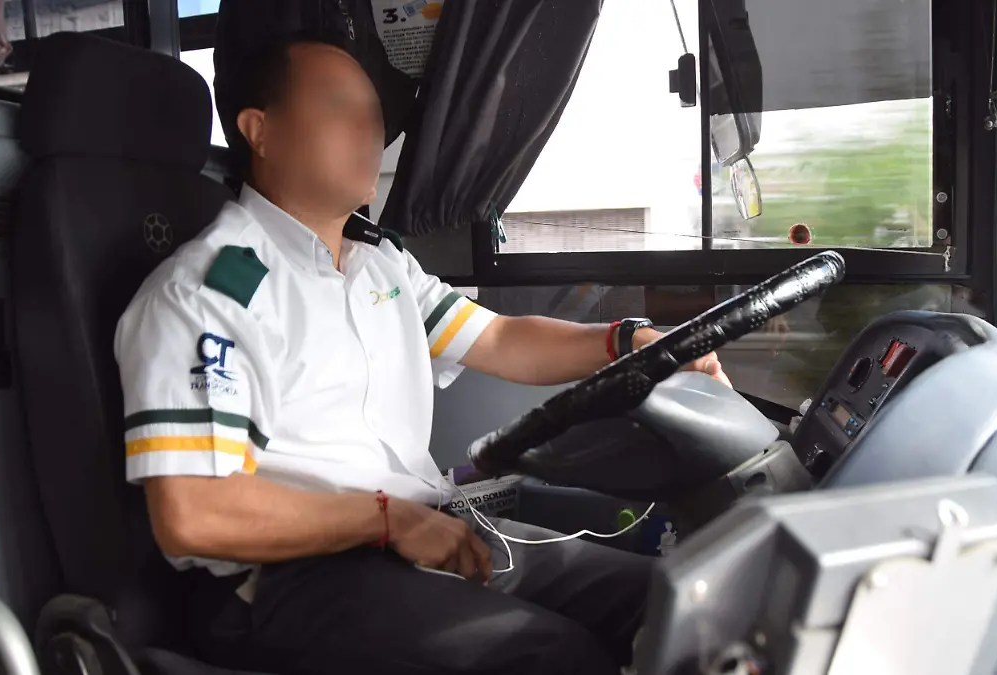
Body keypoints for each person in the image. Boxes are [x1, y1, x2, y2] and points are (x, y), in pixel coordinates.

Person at [114, 36, 730, 675]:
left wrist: (631, 342)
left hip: (416, 532)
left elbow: (501, 339)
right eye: (337, 106)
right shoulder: (207, 293)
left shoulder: (381, 266)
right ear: (260, 131)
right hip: (289, 581)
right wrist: (386, 520)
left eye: (374, 114)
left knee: (676, 602)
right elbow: (195, 513)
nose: (368, 130)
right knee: (553, 658)